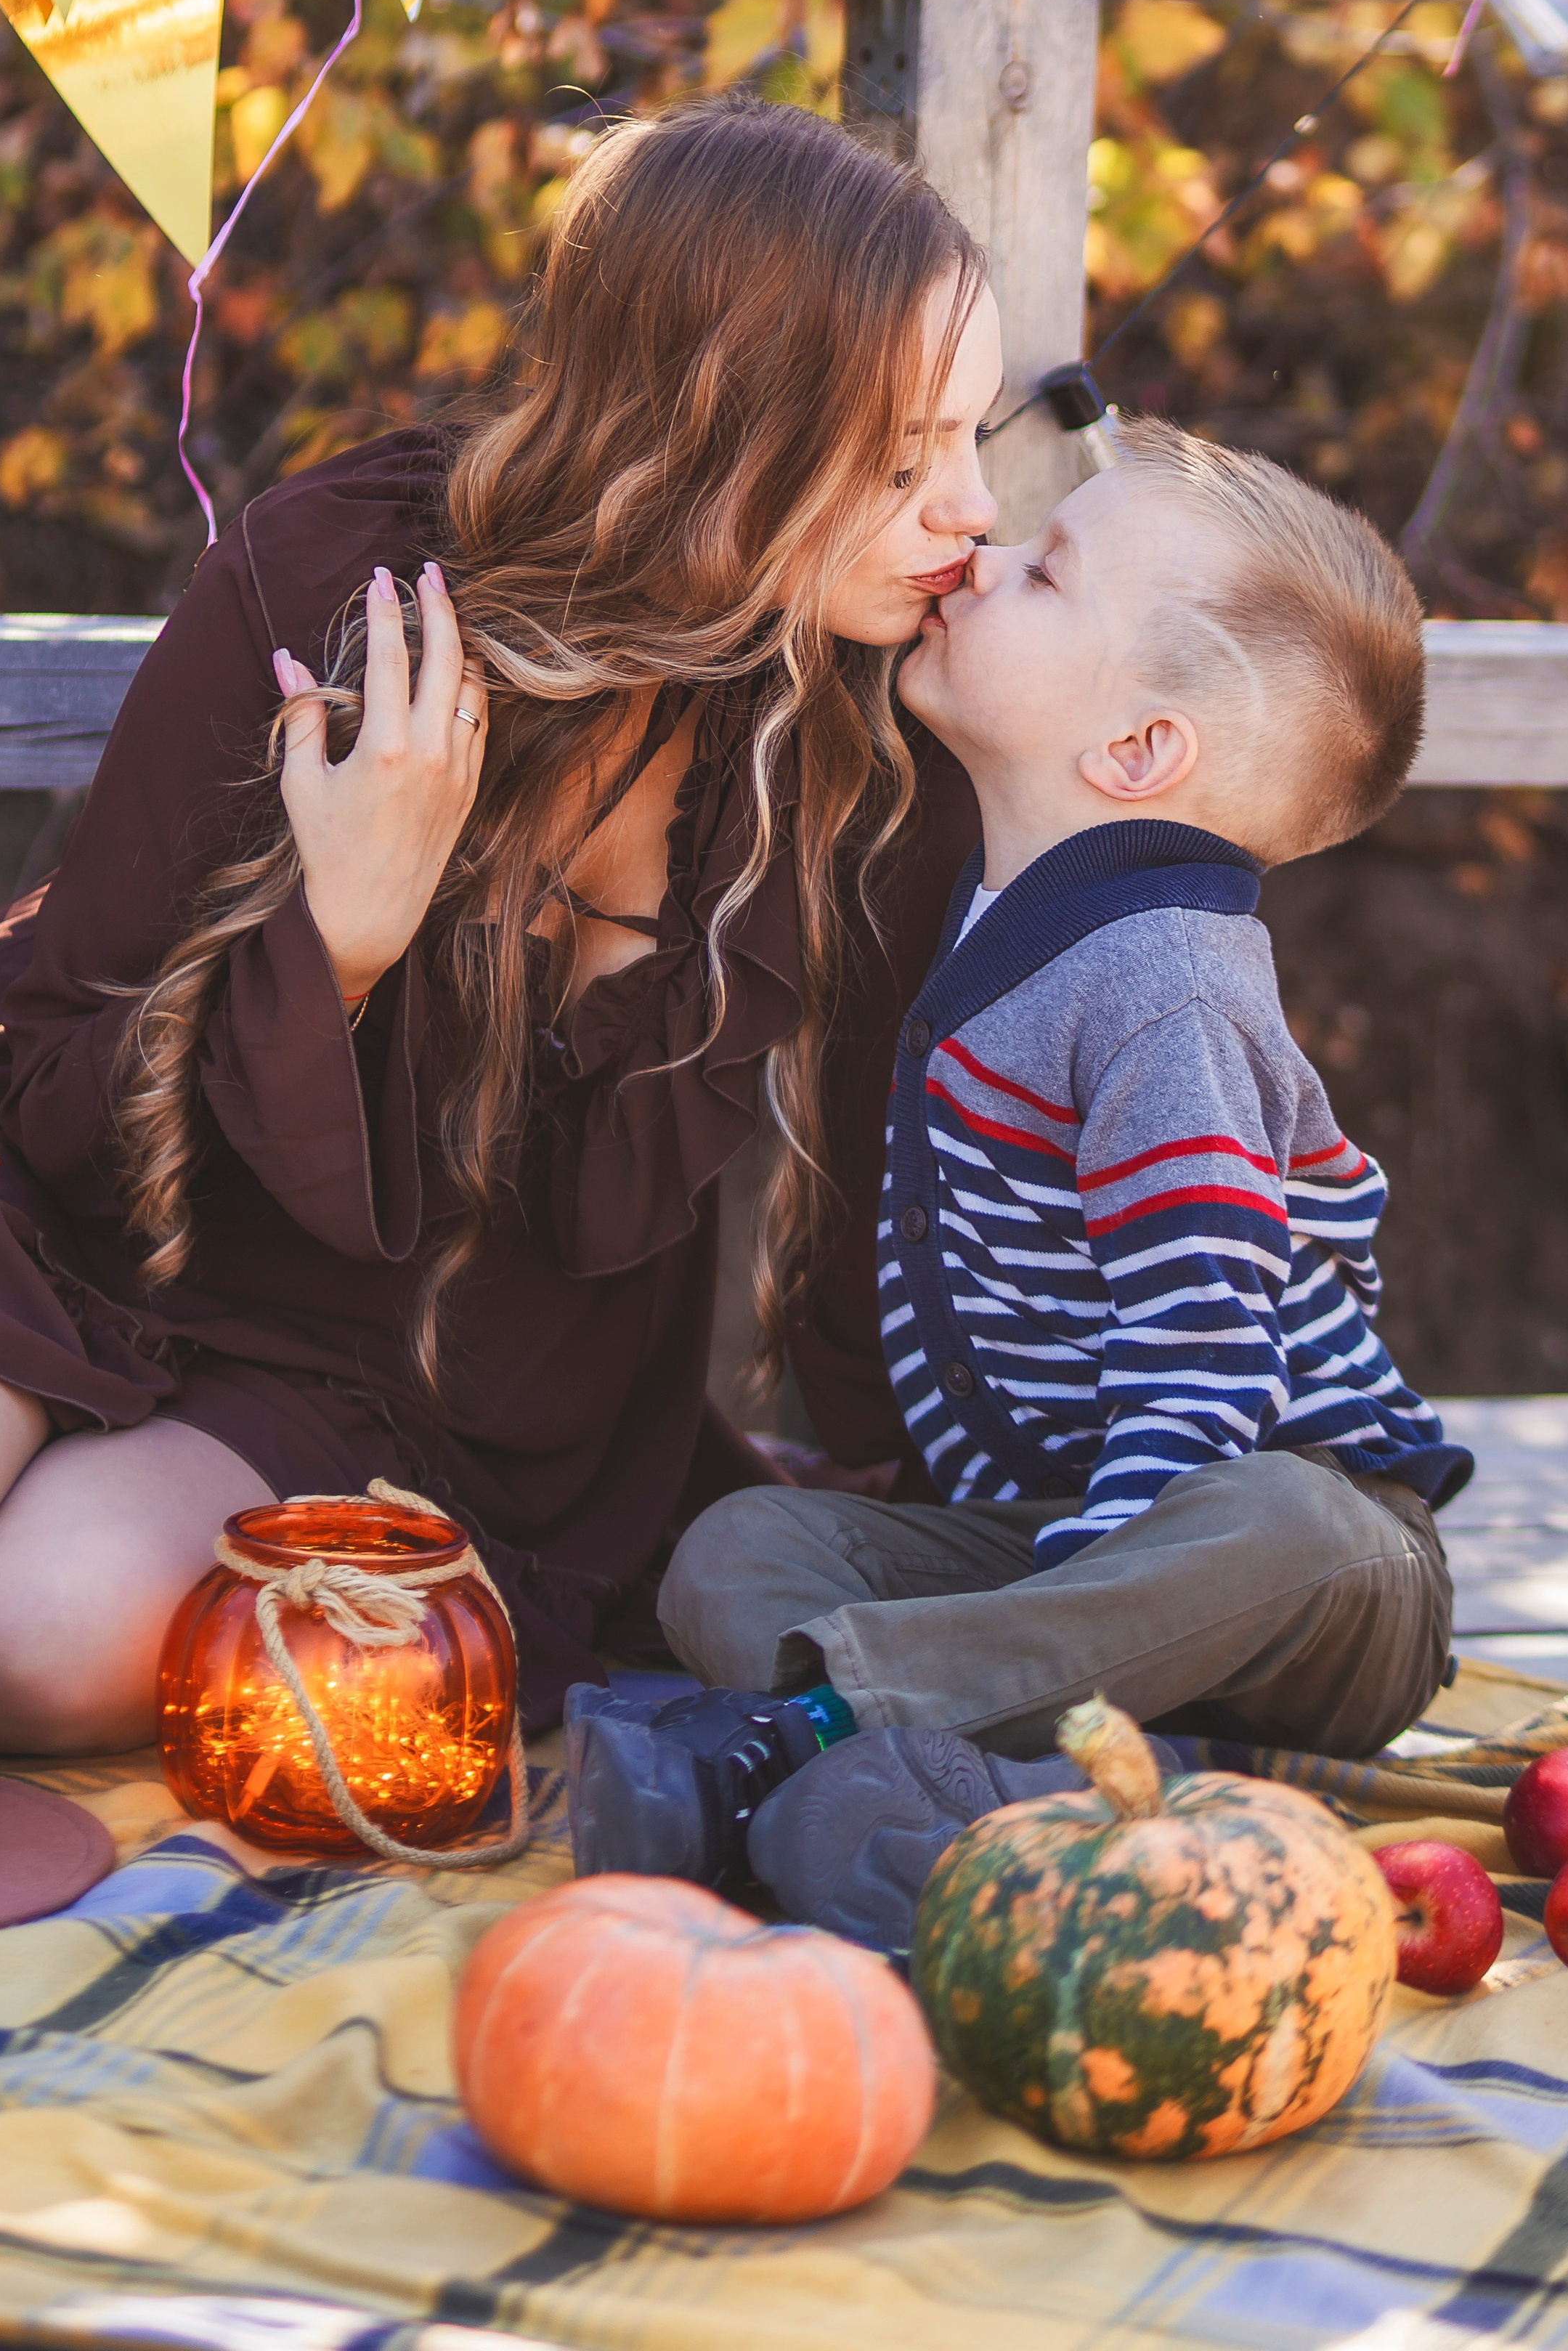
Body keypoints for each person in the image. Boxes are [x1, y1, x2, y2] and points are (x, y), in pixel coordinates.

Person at [0, 92, 1002, 1754]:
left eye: (978, 438)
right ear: (719, 428)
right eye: (901, 459)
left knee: (27, 1650)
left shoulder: (870, 731)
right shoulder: (337, 584)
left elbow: (879, 1161)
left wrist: (907, 1499)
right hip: (67, 1175)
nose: (971, 510)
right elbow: (75, 1068)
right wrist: (339, 945)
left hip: (419, 1344)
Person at [568, 422, 1473, 1946]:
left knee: (1284, 1523)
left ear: (1131, 753)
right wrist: (1025, 1627)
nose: (978, 562)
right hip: (1078, 1555)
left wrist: (1051, 1620)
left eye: (1044, 573)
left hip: (1299, 1574)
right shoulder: (1012, 920)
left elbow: (1201, 1357)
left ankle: (815, 1746)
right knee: (742, 1553)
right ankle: (1030, 1804)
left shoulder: (1161, 991)